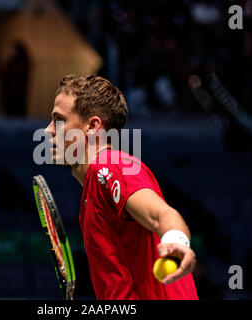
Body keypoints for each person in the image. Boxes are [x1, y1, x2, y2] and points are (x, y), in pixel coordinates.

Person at [43, 74, 198, 299]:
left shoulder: (109, 165)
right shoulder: (93, 189)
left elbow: (161, 214)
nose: (48, 130)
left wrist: (176, 242)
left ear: (92, 126)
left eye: (59, 120)